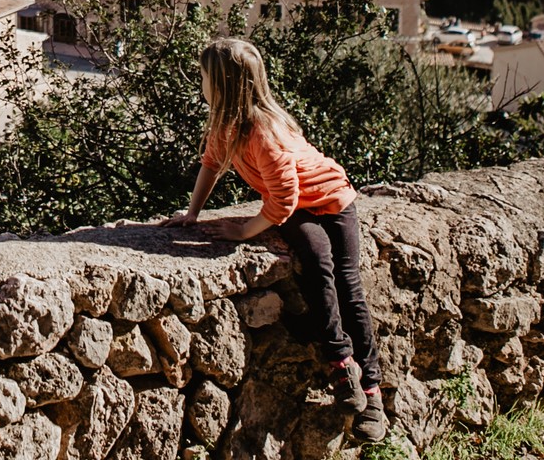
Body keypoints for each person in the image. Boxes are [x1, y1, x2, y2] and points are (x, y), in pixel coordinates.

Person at [164, 37, 389, 442]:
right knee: (317, 267)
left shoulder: (265, 132)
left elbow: (282, 199)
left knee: (348, 285)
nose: (201, 84)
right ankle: (342, 364)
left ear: (223, 84)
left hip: (333, 201)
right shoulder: (225, 125)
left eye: (204, 78)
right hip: (296, 210)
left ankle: (372, 392)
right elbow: (212, 164)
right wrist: (193, 212)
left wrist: (243, 231)